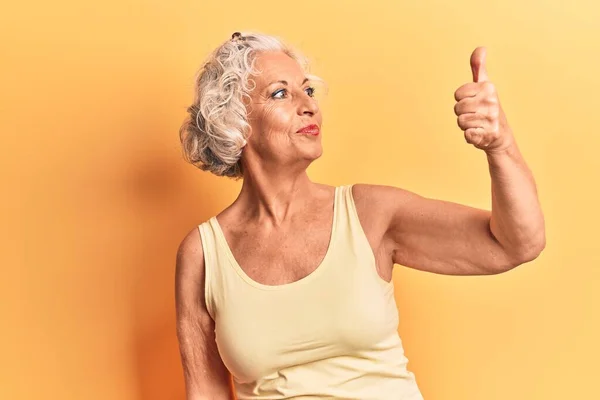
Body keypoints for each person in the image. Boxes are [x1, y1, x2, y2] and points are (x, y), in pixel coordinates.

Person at [174, 31, 546, 400]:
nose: (308, 105)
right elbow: (206, 391)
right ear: (233, 125)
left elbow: (516, 244)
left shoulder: (370, 214)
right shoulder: (203, 253)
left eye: (308, 90)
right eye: (280, 93)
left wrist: (501, 145)